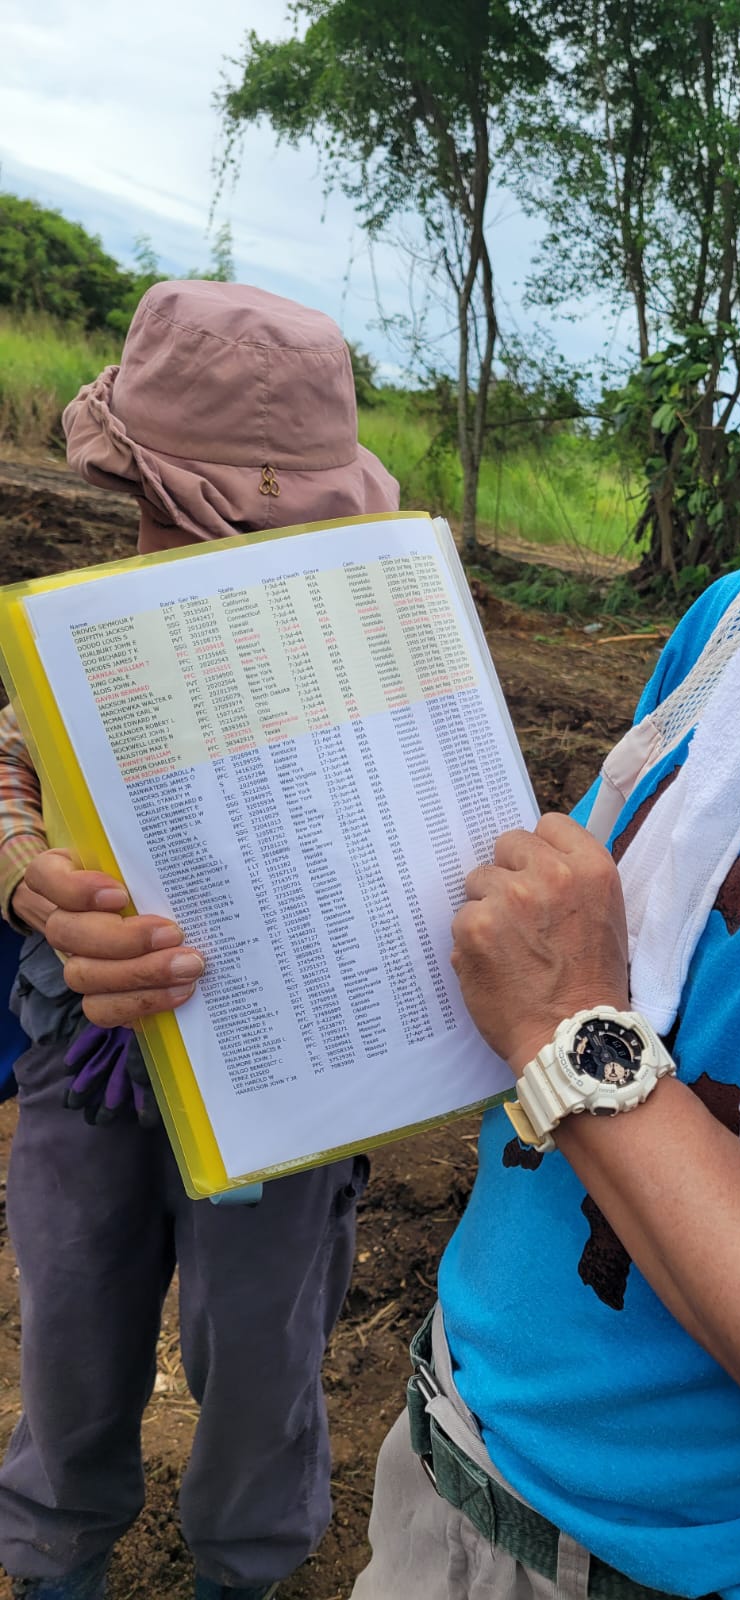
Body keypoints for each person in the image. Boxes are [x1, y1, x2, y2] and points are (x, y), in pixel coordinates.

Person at [44, 2, 740, 1597]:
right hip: (446, 1485)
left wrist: (582, 1043)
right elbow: (518, 978)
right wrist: (182, 937)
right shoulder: (737, 634)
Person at [0, 280, 399, 1600]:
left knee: (261, 1362)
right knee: (69, 1326)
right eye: (159, 511)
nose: (173, 535)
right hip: (88, 1051)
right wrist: (29, 879)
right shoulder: (86, 627)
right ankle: (55, 1554)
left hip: (289, 1078)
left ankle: (243, 1570)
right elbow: (9, 769)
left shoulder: (373, 655)